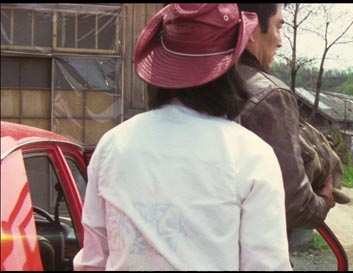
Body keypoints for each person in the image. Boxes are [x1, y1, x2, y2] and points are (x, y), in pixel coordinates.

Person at [73, 4, 291, 271]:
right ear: (230, 67)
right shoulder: (251, 155)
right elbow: (266, 266)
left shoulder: (113, 145)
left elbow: (93, 261)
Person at [234, 4, 336, 233]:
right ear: (251, 31)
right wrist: (323, 201)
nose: (280, 41)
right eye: (278, 27)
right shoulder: (270, 96)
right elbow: (292, 205)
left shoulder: (193, 90)